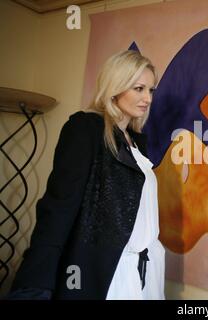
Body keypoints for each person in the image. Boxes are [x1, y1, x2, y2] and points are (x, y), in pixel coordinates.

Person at [8, 50, 165, 300]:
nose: (147, 98)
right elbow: (59, 206)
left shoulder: (135, 143)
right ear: (116, 87)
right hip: (108, 272)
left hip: (145, 269)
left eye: (151, 90)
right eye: (138, 88)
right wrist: (35, 280)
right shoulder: (86, 128)